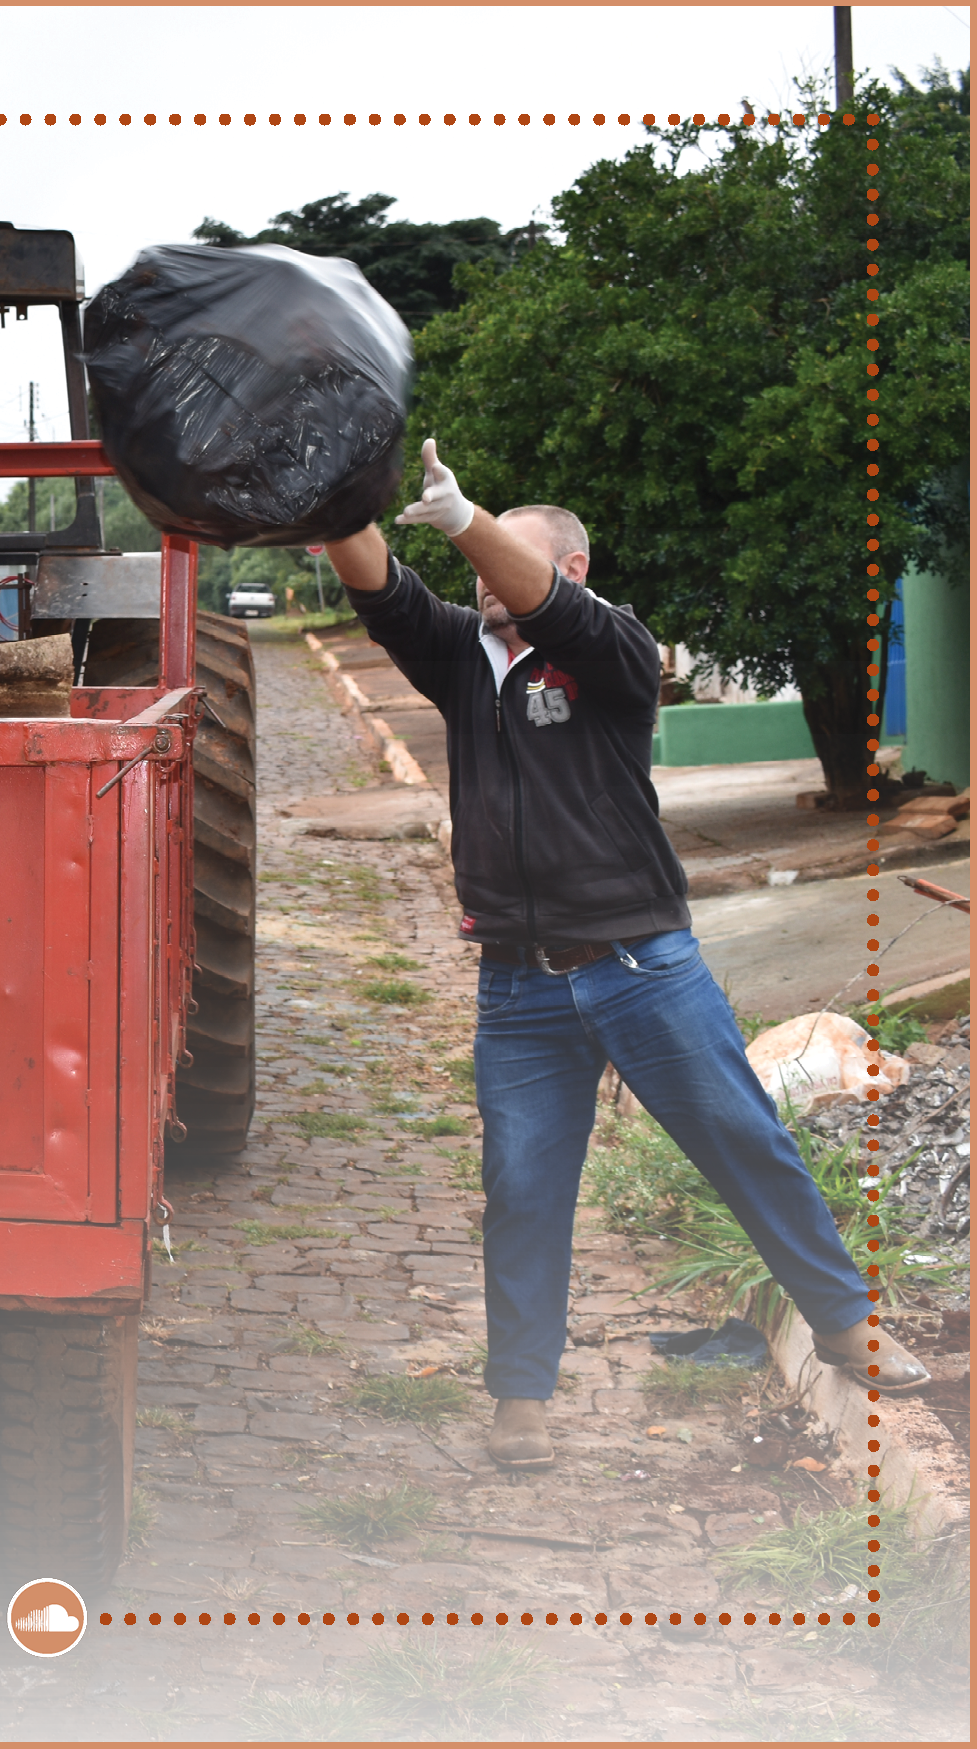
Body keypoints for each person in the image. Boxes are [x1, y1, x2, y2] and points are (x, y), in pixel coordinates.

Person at [319, 438, 927, 1471]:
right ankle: (522, 1400)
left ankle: (843, 1318)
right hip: (517, 983)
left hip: (642, 964)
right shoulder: (466, 661)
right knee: (521, 1185)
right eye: (475, 558)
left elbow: (548, 609)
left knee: (744, 1138)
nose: (481, 573)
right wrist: (330, 498)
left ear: (571, 570)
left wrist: (471, 518)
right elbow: (384, 591)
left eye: (506, 554)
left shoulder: (611, 649)